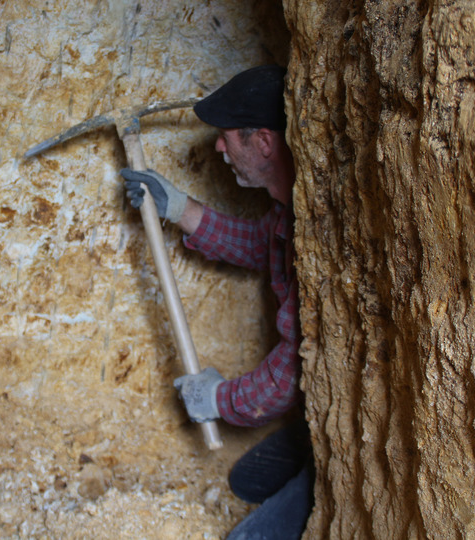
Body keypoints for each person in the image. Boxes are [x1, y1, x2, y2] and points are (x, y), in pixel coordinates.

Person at [120, 65, 313, 539]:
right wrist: (179, 208)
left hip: (356, 438)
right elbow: (258, 245)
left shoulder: (318, 228)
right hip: (319, 411)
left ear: (264, 142)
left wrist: (220, 400)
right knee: (246, 480)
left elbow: (292, 371)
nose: (219, 147)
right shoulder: (287, 211)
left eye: (227, 137)